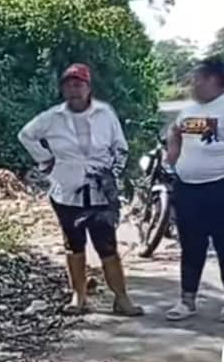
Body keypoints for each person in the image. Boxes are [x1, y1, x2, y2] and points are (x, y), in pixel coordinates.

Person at [18, 63, 142, 316]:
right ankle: (79, 297)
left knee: (107, 246)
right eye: (69, 85)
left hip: (100, 192)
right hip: (67, 189)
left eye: (79, 84)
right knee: (74, 246)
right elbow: (25, 135)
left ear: (88, 87)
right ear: (63, 89)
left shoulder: (104, 114)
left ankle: (121, 298)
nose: (74, 90)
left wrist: (111, 174)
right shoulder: (52, 117)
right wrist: (45, 160)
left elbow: (120, 147)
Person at [165, 56, 224, 321]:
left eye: (196, 78)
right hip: (187, 188)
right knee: (191, 245)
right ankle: (187, 301)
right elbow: (174, 131)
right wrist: (173, 157)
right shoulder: (188, 111)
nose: (192, 84)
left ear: (213, 79)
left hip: (219, 188)